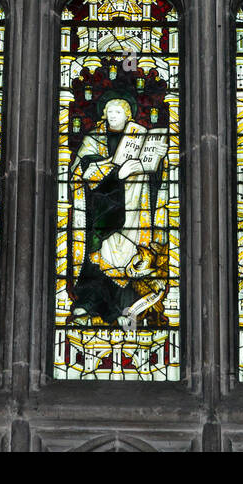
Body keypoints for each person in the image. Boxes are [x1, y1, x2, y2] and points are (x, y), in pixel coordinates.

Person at [69, 96, 169, 328]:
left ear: (128, 116)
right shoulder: (94, 138)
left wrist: (159, 159)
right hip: (104, 210)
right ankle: (92, 303)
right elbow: (80, 170)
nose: (113, 116)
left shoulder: (139, 136)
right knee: (101, 254)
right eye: (110, 112)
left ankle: (128, 306)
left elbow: (155, 178)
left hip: (136, 208)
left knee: (132, 252)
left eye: (118, 112)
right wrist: (116, 172)